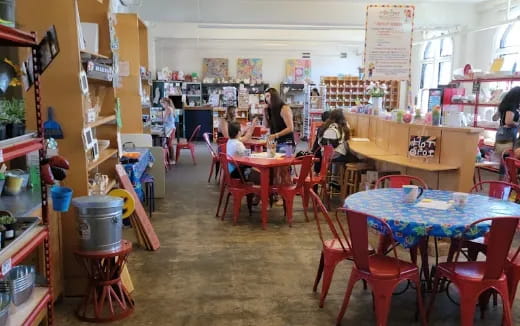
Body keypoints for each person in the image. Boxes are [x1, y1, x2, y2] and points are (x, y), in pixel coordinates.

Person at [226, 122, 260, 186]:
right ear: (238, 132)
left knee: (256, 171)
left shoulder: (230, 141)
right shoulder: (238, 144)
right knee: (261, 175)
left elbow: (244, 153)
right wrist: (258, 154)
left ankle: (252, 193)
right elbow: (248, 156)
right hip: (238, 171)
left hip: (230, 170)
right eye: (241, 129)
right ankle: (260, 193)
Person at [264, 88, 295, 152]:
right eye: (265, 97)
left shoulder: (284, 108)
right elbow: (266, 126)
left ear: (274, 96)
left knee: (281, 157)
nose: (266, 99)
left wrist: (276, 135)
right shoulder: (271, 109)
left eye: (268, 96)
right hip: (275, 143)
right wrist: (264, 112)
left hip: (286, 143)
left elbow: (290, 128)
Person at [495, 87, 520, 156]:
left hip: (502, 132)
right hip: (507, 133)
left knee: (501, 156)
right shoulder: (512, 106)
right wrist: (518, 124)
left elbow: (494, 118)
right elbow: (508, 121)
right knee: (506, 156)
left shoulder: (504, 104)